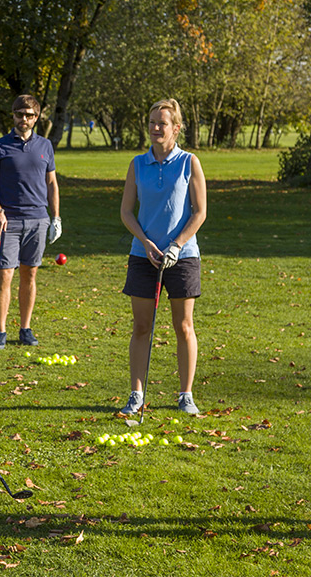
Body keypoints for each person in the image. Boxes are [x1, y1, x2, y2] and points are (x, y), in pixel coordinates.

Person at [119, 99, 207, 416]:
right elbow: (127, 212)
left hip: (182, 257)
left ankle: (185, 394)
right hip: (143, 255)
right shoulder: (137, 164)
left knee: (183, 326)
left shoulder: (189, 162)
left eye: (163, 123)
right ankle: (136, 394)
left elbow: (199, 212)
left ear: (177, 128)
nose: (156, 128)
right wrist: (145, 242)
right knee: (142, 327)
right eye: (152, 122)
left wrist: (176, 245)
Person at [0, 95, 61, 349]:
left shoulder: (45, 146)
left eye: (29, 115)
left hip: (38, 220)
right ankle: (0, 332)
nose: (23, 119)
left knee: (30, 274)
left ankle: (25, 329)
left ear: (36, 117)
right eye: (19, 114)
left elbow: (51, 184)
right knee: (5, 275)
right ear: (13, 115)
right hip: (8, 222)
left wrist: (55, 217)